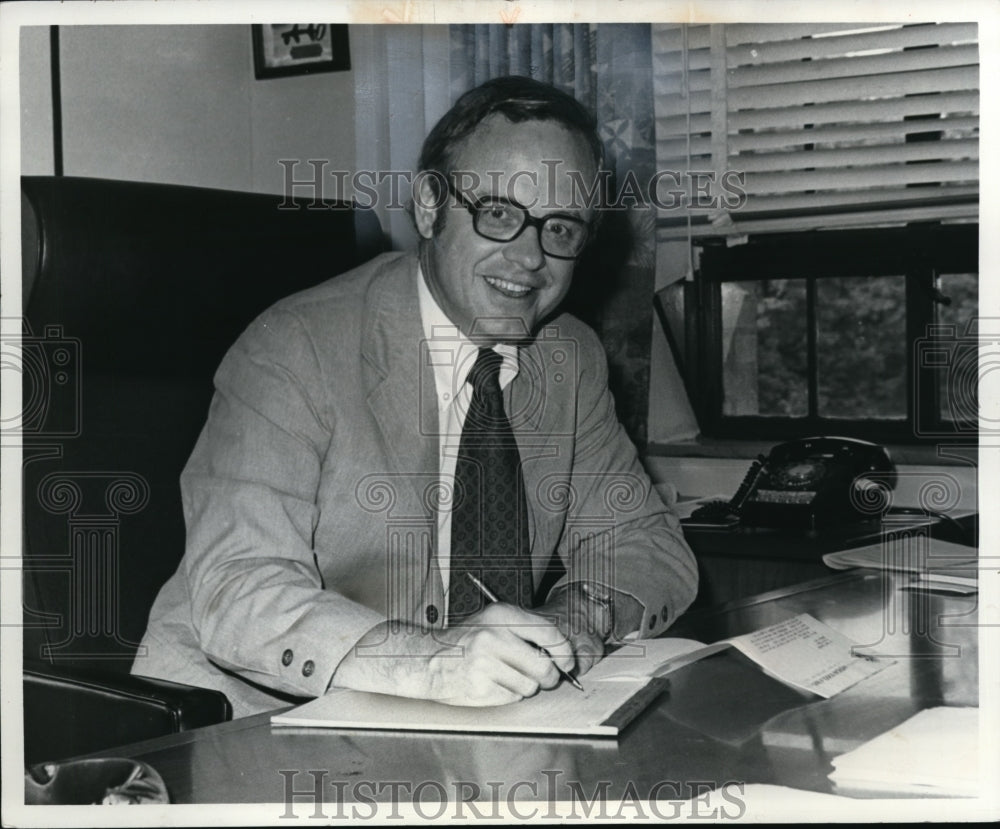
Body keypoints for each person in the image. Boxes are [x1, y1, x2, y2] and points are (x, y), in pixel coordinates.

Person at [133, 76, 698, 718]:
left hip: (467, 725)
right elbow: (238, 589)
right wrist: (432, 663)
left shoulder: (570, 356)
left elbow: (647, 541)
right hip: (240, 718)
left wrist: (580, 615)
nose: (529, 257)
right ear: (429, 205)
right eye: (499, 214)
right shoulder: (293, 345)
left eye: (561, 229)